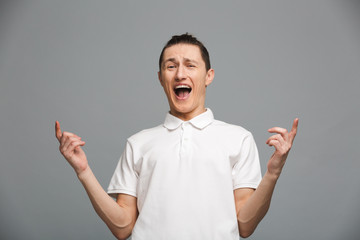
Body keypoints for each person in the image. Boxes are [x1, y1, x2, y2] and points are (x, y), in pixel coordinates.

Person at [55, 33, 298, 240]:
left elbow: (245, 224)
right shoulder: (138, 143)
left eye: (190, 65)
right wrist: (83, 171)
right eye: (171, 66)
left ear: (208, 76)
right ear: (161, 78)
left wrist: (273, 174)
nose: (180, 73)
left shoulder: (238, 139)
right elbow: (122, 227)